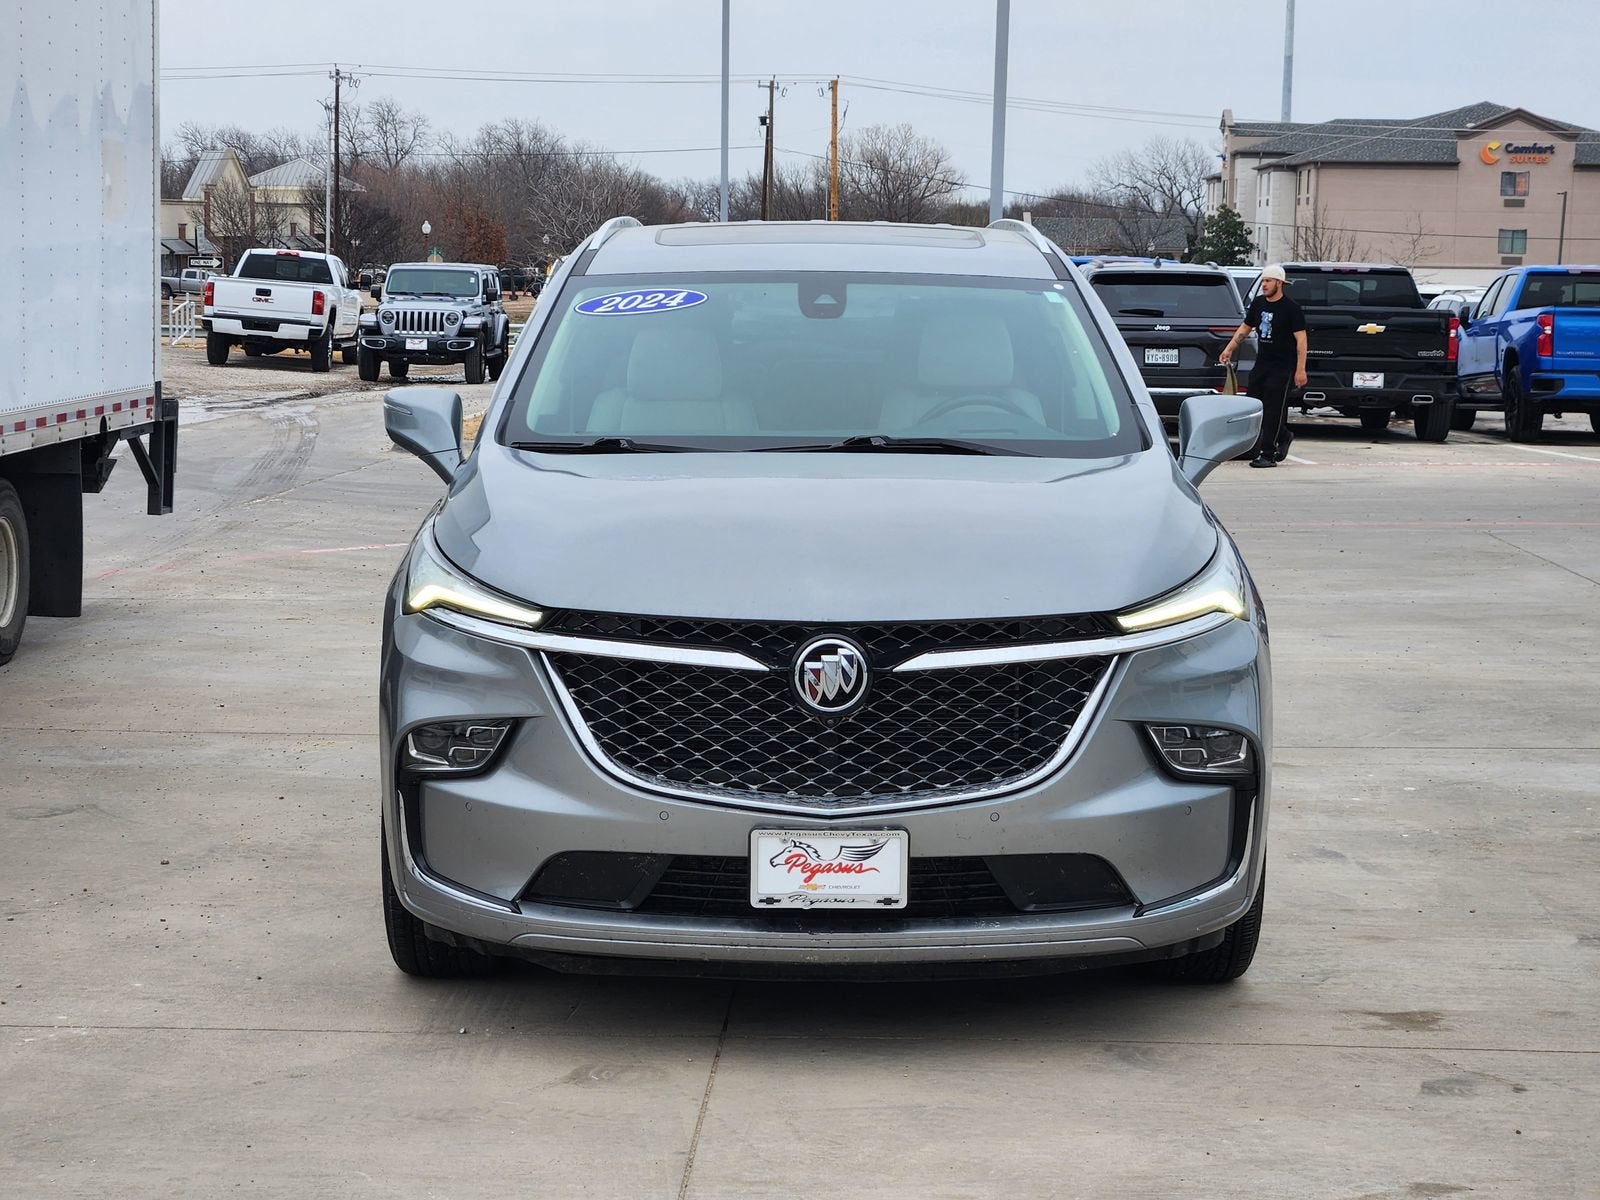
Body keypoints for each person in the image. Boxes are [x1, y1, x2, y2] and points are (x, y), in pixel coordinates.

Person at [1220, 264, 1307, 468]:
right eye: (1263, 281)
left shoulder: (1291, 308)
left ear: (1279, 283)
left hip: (1283, 366)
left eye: (1267, 281)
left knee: (1274, 409)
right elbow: (1245, 328)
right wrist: (1229, 349)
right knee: (1255, 406)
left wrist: (1300, 369)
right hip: (1262, 364)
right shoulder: (1259, 304)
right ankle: (1284, 435)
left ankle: (1268, 453)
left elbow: (1301, 341)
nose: (1264, 285)